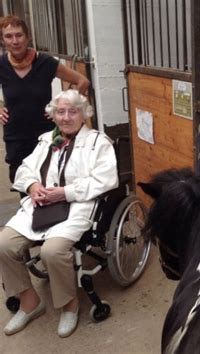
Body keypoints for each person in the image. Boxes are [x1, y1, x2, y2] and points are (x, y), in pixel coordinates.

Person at [0, 89, 118, 338]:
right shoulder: (46, 140)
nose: (66, 117)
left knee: (51, 251)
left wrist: (65, 192)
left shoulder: (99, 143)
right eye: (60, 112)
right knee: (3, 244)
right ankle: (29, 302)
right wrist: (33, 186)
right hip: (42, 206)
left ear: (84, 114)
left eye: (72, 111)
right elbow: (25, 169)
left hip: (76, 207)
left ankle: (69, 306)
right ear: (53, 115)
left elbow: (106, 180)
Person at [0, 15, 90, 184]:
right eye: (8, 36)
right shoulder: (2, 64)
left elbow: (82, 81)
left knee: (50, 180)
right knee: (23, 184)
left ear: (28, 37)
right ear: (3, 40)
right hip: (16, 137)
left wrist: (62, 107)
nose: (15, 41)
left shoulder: (45, 62)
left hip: (46, 135)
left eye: (19, 35)